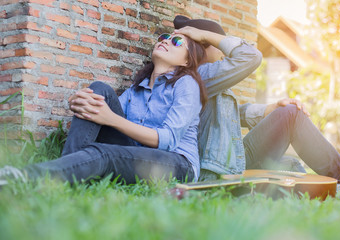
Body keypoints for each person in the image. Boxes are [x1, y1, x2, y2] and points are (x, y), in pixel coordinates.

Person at [54, 16, 340, 198]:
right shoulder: (195, 77)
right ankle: (67, 171)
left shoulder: (200, 80)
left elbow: (226, 112)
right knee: (288, 118)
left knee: (289, 113)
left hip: (219, 155)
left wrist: (265, 110)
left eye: (181, 39)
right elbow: (244, 63)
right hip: (215, 159)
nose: (173, 40)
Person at [0, 31, 208, 185]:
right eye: (164, 37)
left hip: (177, 163)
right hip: (136, 153)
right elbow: (101, 110)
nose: (165, 41)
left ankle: (27, 178)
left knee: (104, 153)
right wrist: (79, 102)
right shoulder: (138, 89)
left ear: (188, 59)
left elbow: (168, 140)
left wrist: (110, 119)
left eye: (177, 41)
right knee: (98, 91)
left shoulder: (186, 83)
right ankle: (66, 174)